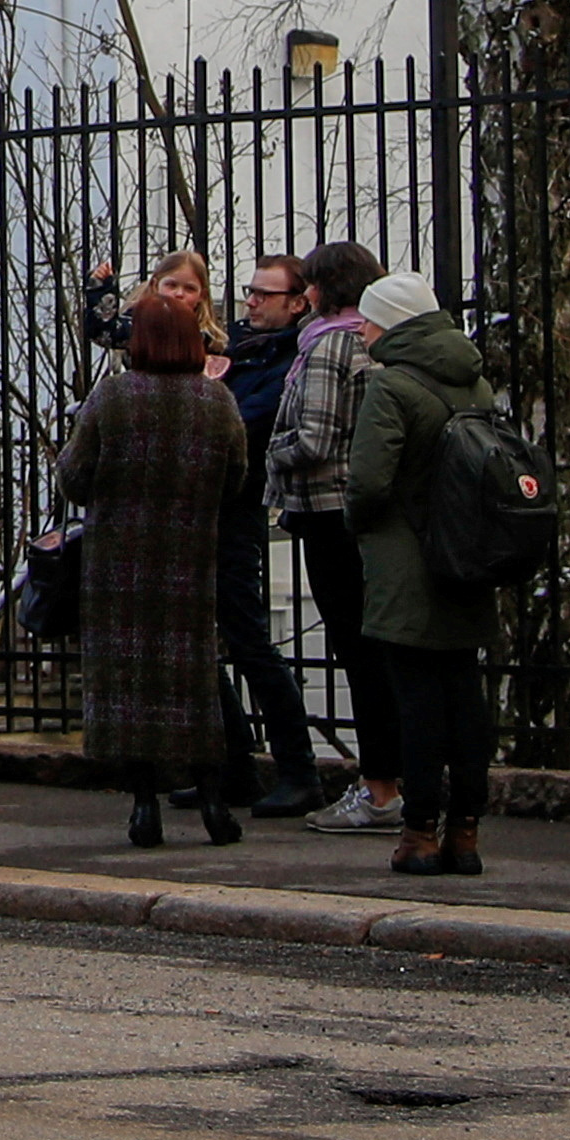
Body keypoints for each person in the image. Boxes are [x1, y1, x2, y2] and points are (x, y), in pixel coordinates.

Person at [60, 286, 259, 847]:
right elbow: (236, 478)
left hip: (117, 564)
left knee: (129, 683)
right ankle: (214, 802)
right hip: (190, 561)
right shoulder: (216, 401)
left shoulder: (113, 397)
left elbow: (74, 477)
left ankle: (144, 805)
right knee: (191, 680)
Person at [340, 268, 502, 877]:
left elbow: (368, 482)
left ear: (393, 325)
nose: (361, 329)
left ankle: (419, 834)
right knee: (464, 696)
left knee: (416, 702)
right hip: (467, 557)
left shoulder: (392, 385)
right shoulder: (475, 382)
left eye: (369, 319)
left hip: (406, 560)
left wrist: (359, 526)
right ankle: (465, 833)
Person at [270, 240, 404, 832]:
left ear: (325, 288)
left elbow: (314, 439)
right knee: (380, 650)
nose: (305, 293)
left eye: (310, 283)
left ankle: (379, 788)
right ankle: (394, 780)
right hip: (365, 511)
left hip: (327, 510)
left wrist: (271, 452)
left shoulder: (327, 346)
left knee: (358, 652)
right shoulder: (373, 340)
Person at [213, 253, 323, 816]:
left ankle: (298, 770)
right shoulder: (236, 346)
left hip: (239, 506)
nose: (251, 302)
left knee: (249, 640)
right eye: (250, 291)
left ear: (298, 303)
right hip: (206, 504)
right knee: (200, 643)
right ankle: (233, 764)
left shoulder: (289, 360)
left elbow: (243, 422)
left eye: (264, 294)